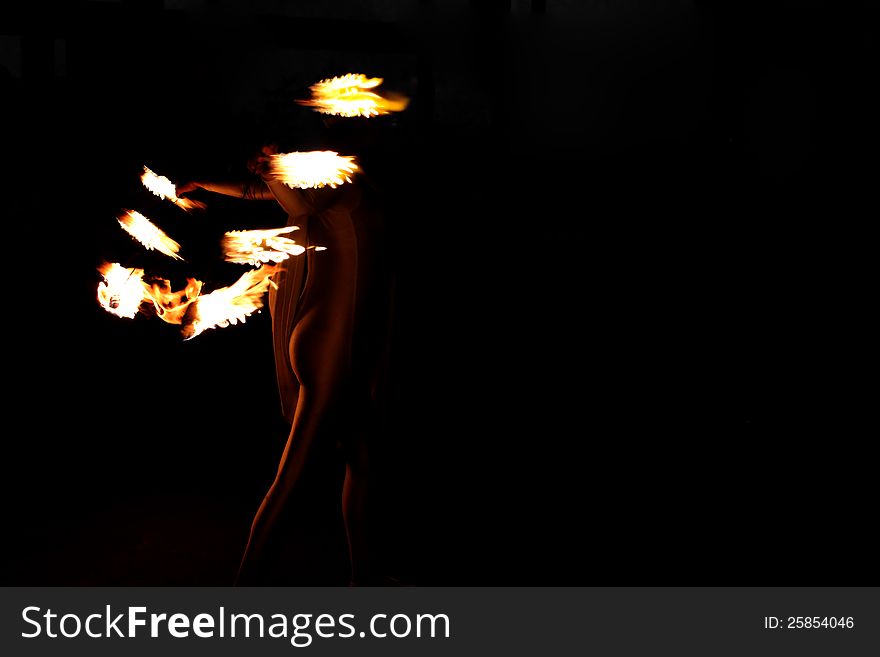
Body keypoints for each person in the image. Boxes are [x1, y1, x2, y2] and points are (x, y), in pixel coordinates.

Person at [178, 144, 393, 585]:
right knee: (293, 478)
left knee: (362, 459)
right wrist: (272, 168)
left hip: (329, 338)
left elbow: (259, 192)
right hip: (330, 343)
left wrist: (212, 182)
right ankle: (245, 589)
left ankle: (364, 580)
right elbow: (283, 195)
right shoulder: (334, 187)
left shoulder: (338, 183)